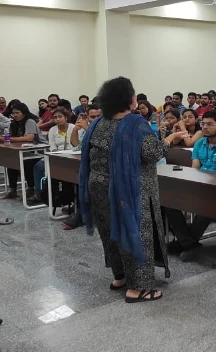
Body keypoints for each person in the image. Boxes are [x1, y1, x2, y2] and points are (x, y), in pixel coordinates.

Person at [79, 76, 171, 303]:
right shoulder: (135, 123)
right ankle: (139, 287)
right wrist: (169, 140)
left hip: (99, 186)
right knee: (135, 232)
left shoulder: (98, 123)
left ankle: (120, 276)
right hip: (130, 189)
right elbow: (152, 153)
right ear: (130, 99)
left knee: (111, 232)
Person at [166, 110, 216, 261]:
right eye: (203, 124)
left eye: (209, 124)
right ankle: (189, 243)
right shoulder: (200, 142)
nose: (205, 127)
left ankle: (185, 242)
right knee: (168, 201)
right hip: (200, 184)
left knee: (206, 207)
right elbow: (195, 168)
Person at [61, 104, 103, 230]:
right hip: (89, 164)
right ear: (87, 117)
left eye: (98, 116)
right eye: (92, 116)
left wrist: (87, 129)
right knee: (77, 178)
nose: (95, 119)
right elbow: (76, 145)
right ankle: (80, 212)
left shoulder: (105, 128)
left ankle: (82, 215)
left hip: (104, 167)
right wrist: (75, 130)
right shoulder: (88, 128)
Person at [0, 103, 44, 200]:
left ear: (24, 113)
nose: (15, 115)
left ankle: (31, 189)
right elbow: (12, 137)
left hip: (39, 151)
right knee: (11, 162)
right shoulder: (13, 124)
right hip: (24, 150)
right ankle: (13, 190)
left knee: (27, 162)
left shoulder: (30, 121)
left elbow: (29, 138)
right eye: (13, 113)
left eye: (17, 113)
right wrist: (3, 138)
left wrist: (10, 138)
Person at [29, 108, 76, 203]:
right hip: (56, 155)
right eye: (55, 117)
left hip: (71, 155)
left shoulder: (74, 128)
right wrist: (56, 154)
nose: (58, 119)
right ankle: (39, 193)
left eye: (60, 117)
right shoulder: (52, 130)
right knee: (39, 166)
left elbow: (76, 145)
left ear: (66, 117)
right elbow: (52, 146)